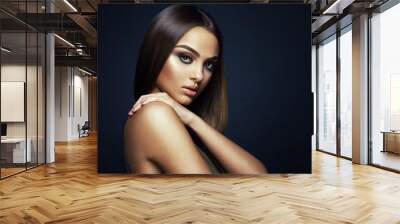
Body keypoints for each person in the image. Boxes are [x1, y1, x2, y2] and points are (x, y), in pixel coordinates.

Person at [124, 5, 267, 174]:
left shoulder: (179, 120)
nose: (199, 76)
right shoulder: (155, 114)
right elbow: (207, 197)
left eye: (209, 65)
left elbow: (260, 177)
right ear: (156, 53)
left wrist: (191, 119)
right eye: (185, 57)